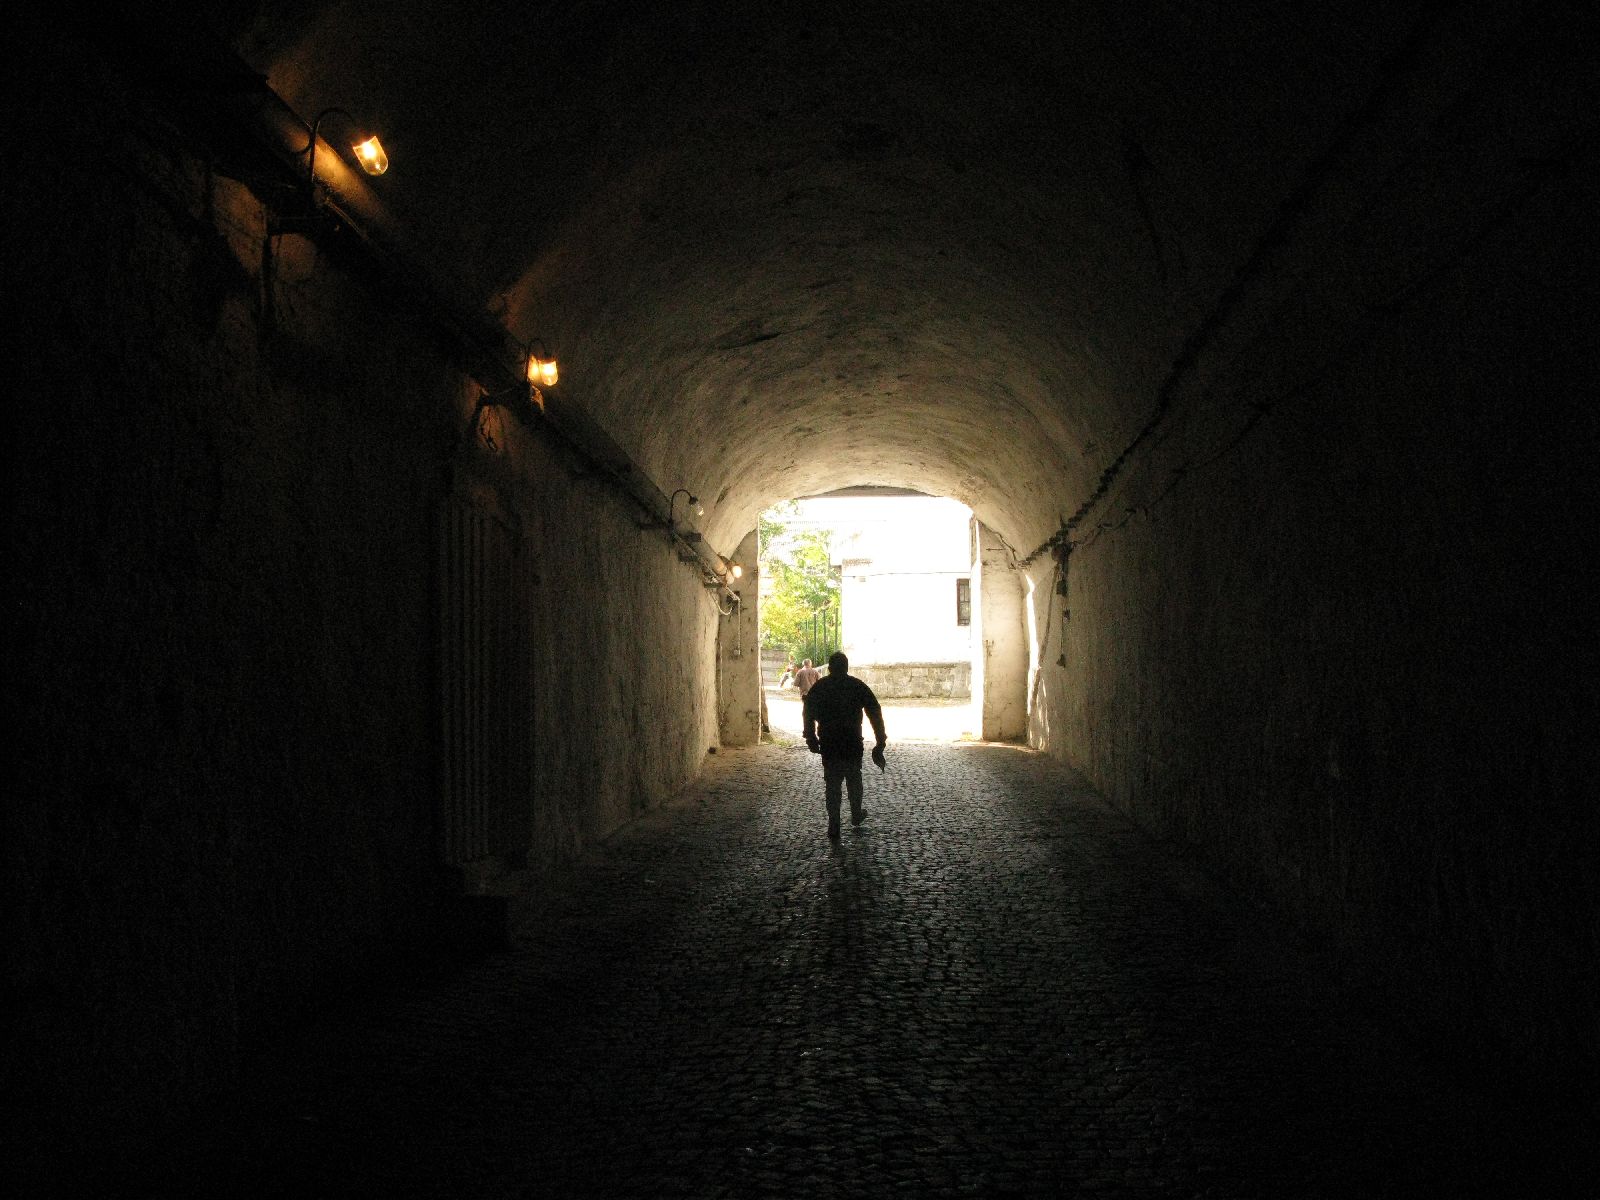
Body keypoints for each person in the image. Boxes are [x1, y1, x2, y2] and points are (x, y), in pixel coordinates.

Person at [802, 651, 888, 839]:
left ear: (830, 668)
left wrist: (810, 737)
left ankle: (834, 823)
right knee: (854, 778)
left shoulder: (820, 687)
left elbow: (808, 712)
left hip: (829, 742)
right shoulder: (856, 686)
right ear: (846, 667)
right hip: (851, 741)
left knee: (832, 783)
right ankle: (856, 813)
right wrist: (880, 740)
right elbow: (874, 711)